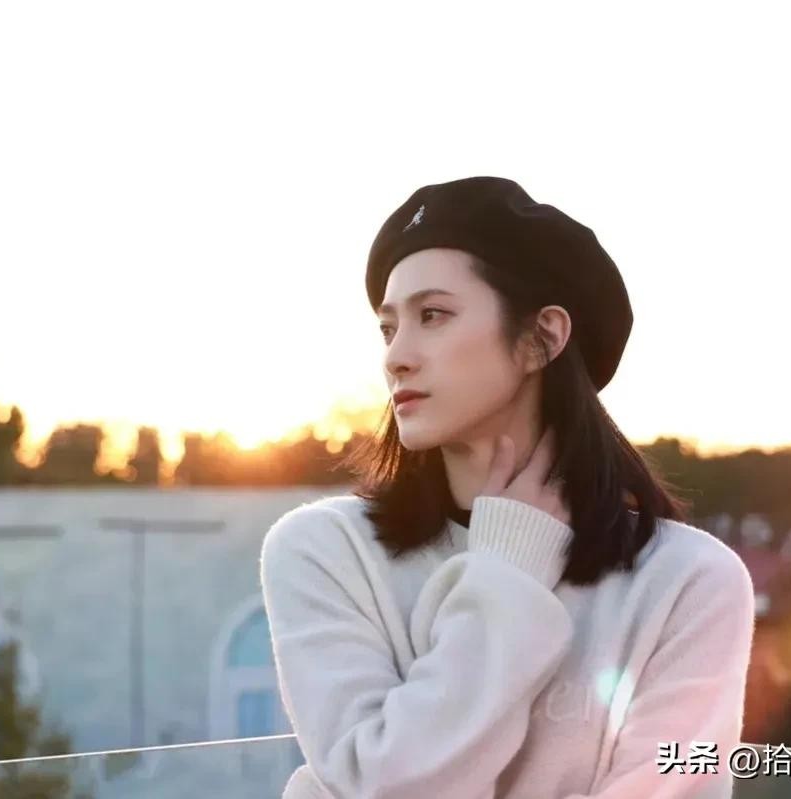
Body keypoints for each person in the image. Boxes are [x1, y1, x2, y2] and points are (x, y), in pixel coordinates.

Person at [259, 176, 756, 798]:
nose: (396, 356)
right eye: (388, 328)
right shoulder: (323, 551)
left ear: (542, 337)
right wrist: (505, 576)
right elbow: (385, 787)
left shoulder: (689, 580)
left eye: (433, 316)